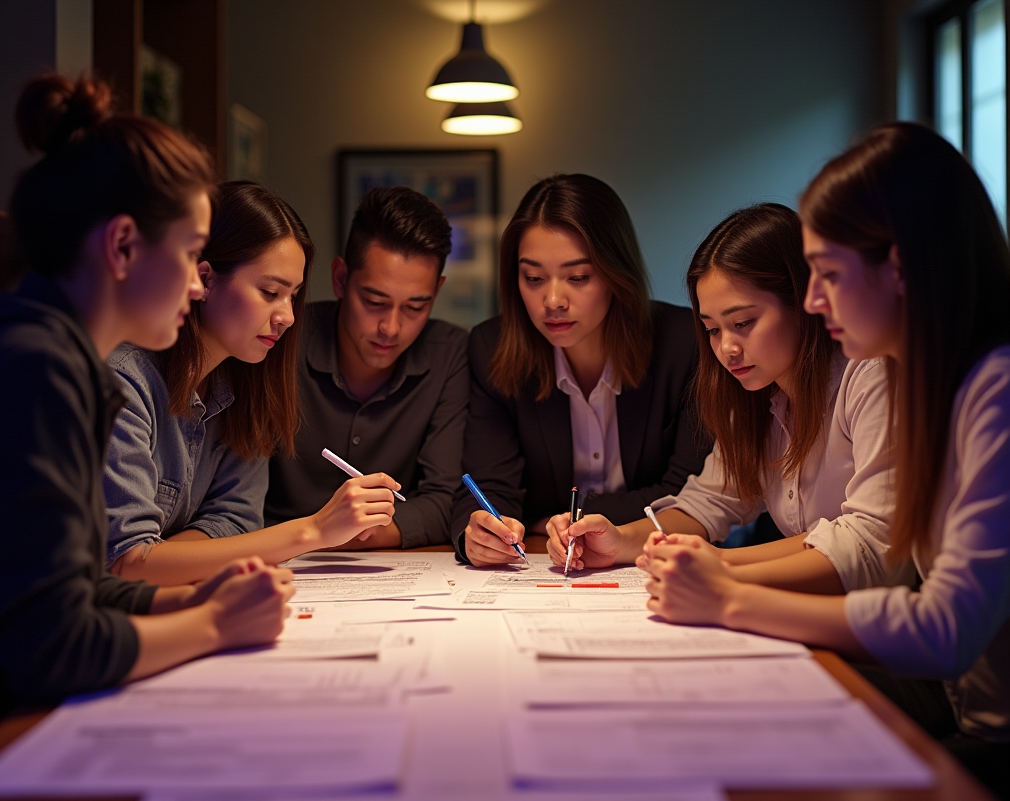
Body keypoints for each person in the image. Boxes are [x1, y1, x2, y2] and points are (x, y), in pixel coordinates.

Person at [642, 123, 1010, 801]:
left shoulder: (987, 388)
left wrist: (729, 594)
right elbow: (712, 503)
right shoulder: (937, 379)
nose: (816, 301)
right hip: (967, 712)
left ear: (901, 269)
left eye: (830, 276)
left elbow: (943, 625)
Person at [0, 75, 293, 727]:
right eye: (189, 254)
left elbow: (77, 588)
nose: (196, 282)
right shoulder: (40, 369)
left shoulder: (56, 354)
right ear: (123, 246)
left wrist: (185, 601)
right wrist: (214, 625)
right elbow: (51, 646)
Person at [548, 203, 909, 596]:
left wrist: (721, 565)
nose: (727, 348)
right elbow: (708, 502)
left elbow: (872, 541)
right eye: (712, 330)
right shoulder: (758, 397)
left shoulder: (871, 374)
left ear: (805, 302)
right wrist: (620, 540)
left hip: (887, 633)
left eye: (742, 324)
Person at [104, 181, 400, 586]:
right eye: (270, 292)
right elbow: (127, 562)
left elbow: (236, 518)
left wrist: (171, 558)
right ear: (204, 280)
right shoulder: (124, 381)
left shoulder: (245, 381)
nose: (288, 316)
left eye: (293, 296)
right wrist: (313, 531)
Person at [453, 173, 710, 566]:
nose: (552, 300)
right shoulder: (493, 348)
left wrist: (556, 516)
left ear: (615, 274)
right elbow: (489, 488)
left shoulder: (683, 344)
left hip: (661, 562)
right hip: (541, 564)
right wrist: (481, 532)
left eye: (578, 277)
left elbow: (687, 492)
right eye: (533, 278)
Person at [265, 186, 468, 549]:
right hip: (274, 565)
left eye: (415, 307)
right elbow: (236, 504)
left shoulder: (450, 355)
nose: (391, 327)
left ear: (436, 292)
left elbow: (444, 501)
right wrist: (314, 534)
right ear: (340, 279)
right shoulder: (278, 340)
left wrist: (338, 536)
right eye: (375, 301)